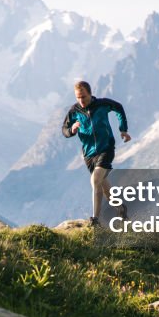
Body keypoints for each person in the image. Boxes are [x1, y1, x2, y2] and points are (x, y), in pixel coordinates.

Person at [61, 80, 132, 227]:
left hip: (106, 148)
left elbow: (119, 108)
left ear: (90, 94)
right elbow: (64, 130)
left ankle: (95, 220)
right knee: (104, 187)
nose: (81, 100)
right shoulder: (74, 111)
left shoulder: (102, 104)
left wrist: (123, 129)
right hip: (89, 154)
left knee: (95, 180)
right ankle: (120, 208)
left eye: (83, 97)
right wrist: (72, 130)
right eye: (78, 97)